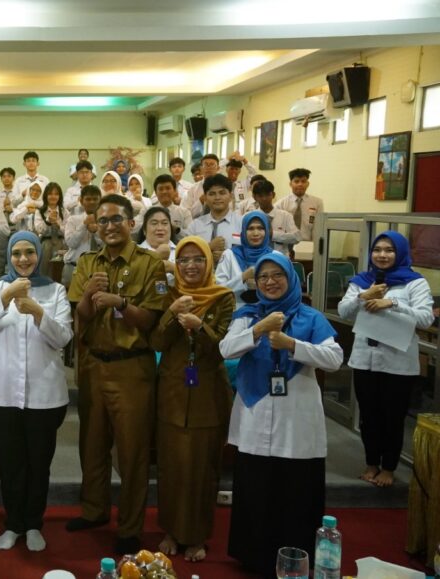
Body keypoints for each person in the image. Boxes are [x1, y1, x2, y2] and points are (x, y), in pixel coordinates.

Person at [219, 254, 343, 577]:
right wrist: (258, 330)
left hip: (296, 421)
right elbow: (226, 349)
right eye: (263, 277)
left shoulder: (311, 318)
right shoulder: (246, 315)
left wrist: (292, 344)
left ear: (290, 278)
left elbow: (334, 358)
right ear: (256, 283)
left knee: (296, 490)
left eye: (277, 275)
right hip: (254, 413)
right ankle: (254, 556)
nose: (270, 282)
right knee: (256, 487)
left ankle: (295, 558)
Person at [66, 194, 167, 554]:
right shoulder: (87, 263)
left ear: (131, 223)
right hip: (93, 364)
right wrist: (90, 297)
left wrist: (122, 303)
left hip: (131, 368)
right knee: (91, 445)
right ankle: (94, 510)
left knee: (132, 451)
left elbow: (153, 318)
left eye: (115, 220)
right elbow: (80, 314)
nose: (109, 226)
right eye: (102, 220)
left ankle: (129, 526)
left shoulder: (149, 265)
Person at [0, 231, 73, 552]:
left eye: (30, 252)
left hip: (44, 395)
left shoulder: (55, 290)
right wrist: (6, 297)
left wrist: (38, 312)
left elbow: (64, 338)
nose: (24, 259)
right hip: (1, 396)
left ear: (39, 254)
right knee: (10, 464)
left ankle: (33, 524)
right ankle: (13, 523)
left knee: (38, 464)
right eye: (17, 253)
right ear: (9, 257)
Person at [149, 237, 235, 562]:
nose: (190, 266)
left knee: (202, 469)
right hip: (171, 393)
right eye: (183, 260)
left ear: (209, 263)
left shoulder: (223, 298)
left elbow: (223, 346)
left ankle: (197, 536)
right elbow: (157, 341)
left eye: (197, 259)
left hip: (207, 394)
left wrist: (200, 327)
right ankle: (171, 530)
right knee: (171, 467)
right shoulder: (170, 296)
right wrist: (172, 313)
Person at [338, 231, 435, 487]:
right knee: (369, 416)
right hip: (364, 359)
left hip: (398, 364)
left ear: (400, 253)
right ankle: (371, 463)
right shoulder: (362, 281)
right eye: (377, 249)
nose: (382, 255)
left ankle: (389, 468)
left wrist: (391, 303)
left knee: (392, 417)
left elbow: (426, 318)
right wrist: (363, 296)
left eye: (389, 250)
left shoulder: (415, 282)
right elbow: (343, 311)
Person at [215, 211, 279, 309]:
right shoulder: (229, 255)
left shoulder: (276, 257)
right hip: (234, 313)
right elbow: (218, 291)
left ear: (267, 231)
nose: (255, 233)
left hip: (268, 312)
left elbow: (283, 291)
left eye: (260, 228)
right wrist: (243, 277)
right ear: (243, 231)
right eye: (250, 228)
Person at [183, 174, 241, 263]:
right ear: (205, 197)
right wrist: (208, 248)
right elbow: (184, 256)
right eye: (212, 194)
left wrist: (226, 258)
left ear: (231, 196)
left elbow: (249, 254)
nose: (217, 198)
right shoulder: (195, 226)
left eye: (222, 193)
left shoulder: (241, 224)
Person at [61, 185, 102, 287]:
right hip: (74, 267)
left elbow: (106, 245)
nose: (92, 202)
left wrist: (96, 232)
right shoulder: (73, 220)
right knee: (70, 301)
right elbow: (71, 243)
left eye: (95, 199)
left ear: (100, 201)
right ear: (81, 201)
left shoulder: (104, 221)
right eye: (88, 199)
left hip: (98, 269)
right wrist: (84, 224)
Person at [247, 180, 300, 255]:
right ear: (255, 197)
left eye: (267, 195)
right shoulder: (248, 217)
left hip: (280, 260)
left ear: (273, 194)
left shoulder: (286, 216)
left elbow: (296, 238)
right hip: (256, 259)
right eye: (260, 196)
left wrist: (274, 235)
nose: (264, 198)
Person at [275, 168, 324, 243]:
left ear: (308, 184)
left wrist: (315, 247)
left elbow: (318, 228)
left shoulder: (317, 203)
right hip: (285, 244)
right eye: (296, 181)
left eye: (303, 181)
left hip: (307, 244)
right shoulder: (281, 204)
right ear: (290, 184)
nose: (300, 184)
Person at [137, 206, 177, 283]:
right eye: (154, 223)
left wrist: (174, 269)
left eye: (164, 223)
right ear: (144, 230)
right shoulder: (134, 251)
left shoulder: (182, 251)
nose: (160, 228)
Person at [39, 183, 66, 280]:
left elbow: (68, 231)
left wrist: (59, 225)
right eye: (50, 194)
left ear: (60, 196)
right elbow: (39, 229)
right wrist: (47, 220)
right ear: (46, 196)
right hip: (46, 243)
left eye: (56, 194)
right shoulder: (40, 211)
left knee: (59, 271)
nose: (53, 196)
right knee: (45, 270)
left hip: (61, 243)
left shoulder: (64, 211)